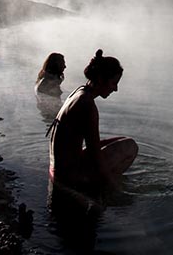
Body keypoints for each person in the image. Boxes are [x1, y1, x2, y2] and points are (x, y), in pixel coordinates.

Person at [48, 49, 138, 193]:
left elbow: (93, 147)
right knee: (131, 147)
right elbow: (95, 155)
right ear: (101, 79)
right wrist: (114, 187)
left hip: (59, 167)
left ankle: (100, 181)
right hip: (68, 176)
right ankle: (99, 188)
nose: (115, 89)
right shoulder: (87, 105)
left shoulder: (79, 92)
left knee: (125, 140)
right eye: (113, 83)